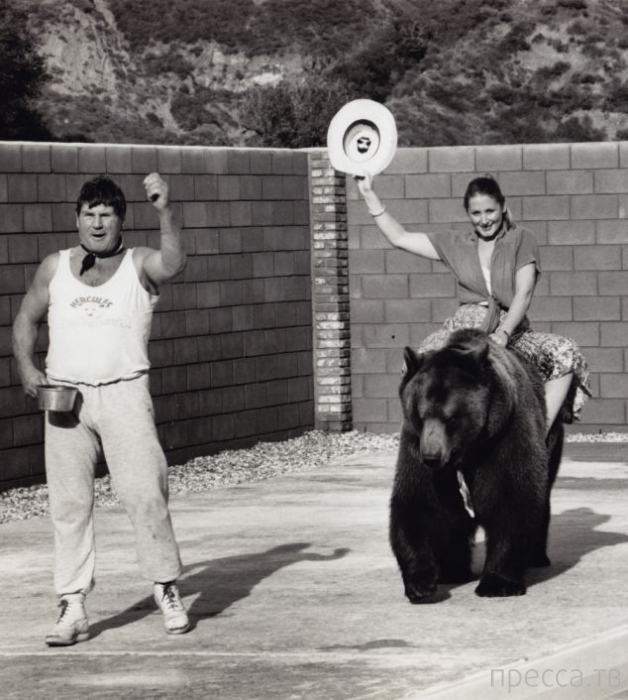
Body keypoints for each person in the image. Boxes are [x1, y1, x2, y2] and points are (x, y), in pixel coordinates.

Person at [12, 173, 190, 646]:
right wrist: (26, 367)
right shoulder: (55, 267)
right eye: (89, 214)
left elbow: (174, 264)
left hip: (124, 394)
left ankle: (166, 587)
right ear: (76, 218)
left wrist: (164, 210)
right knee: (69, 505)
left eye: (106, 214)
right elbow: (26, 317)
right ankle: (72, 605)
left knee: (146, 496)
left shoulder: (138, 263)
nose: (96, 223)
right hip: (66, 399)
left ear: (120, 220)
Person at [355, 171, 591, 429]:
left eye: (490, 211)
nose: (484, 219)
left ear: (503, 207)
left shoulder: (521, 239)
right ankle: (426, 437)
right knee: (417, 362)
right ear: (468, 214)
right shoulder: (456, 243)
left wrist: (504, 333)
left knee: (564, 350)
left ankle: (539, 432)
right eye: (476, 213)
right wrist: (368, 194)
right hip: (463, 330)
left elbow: (524, 293)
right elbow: (399, 237)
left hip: (511, 330)